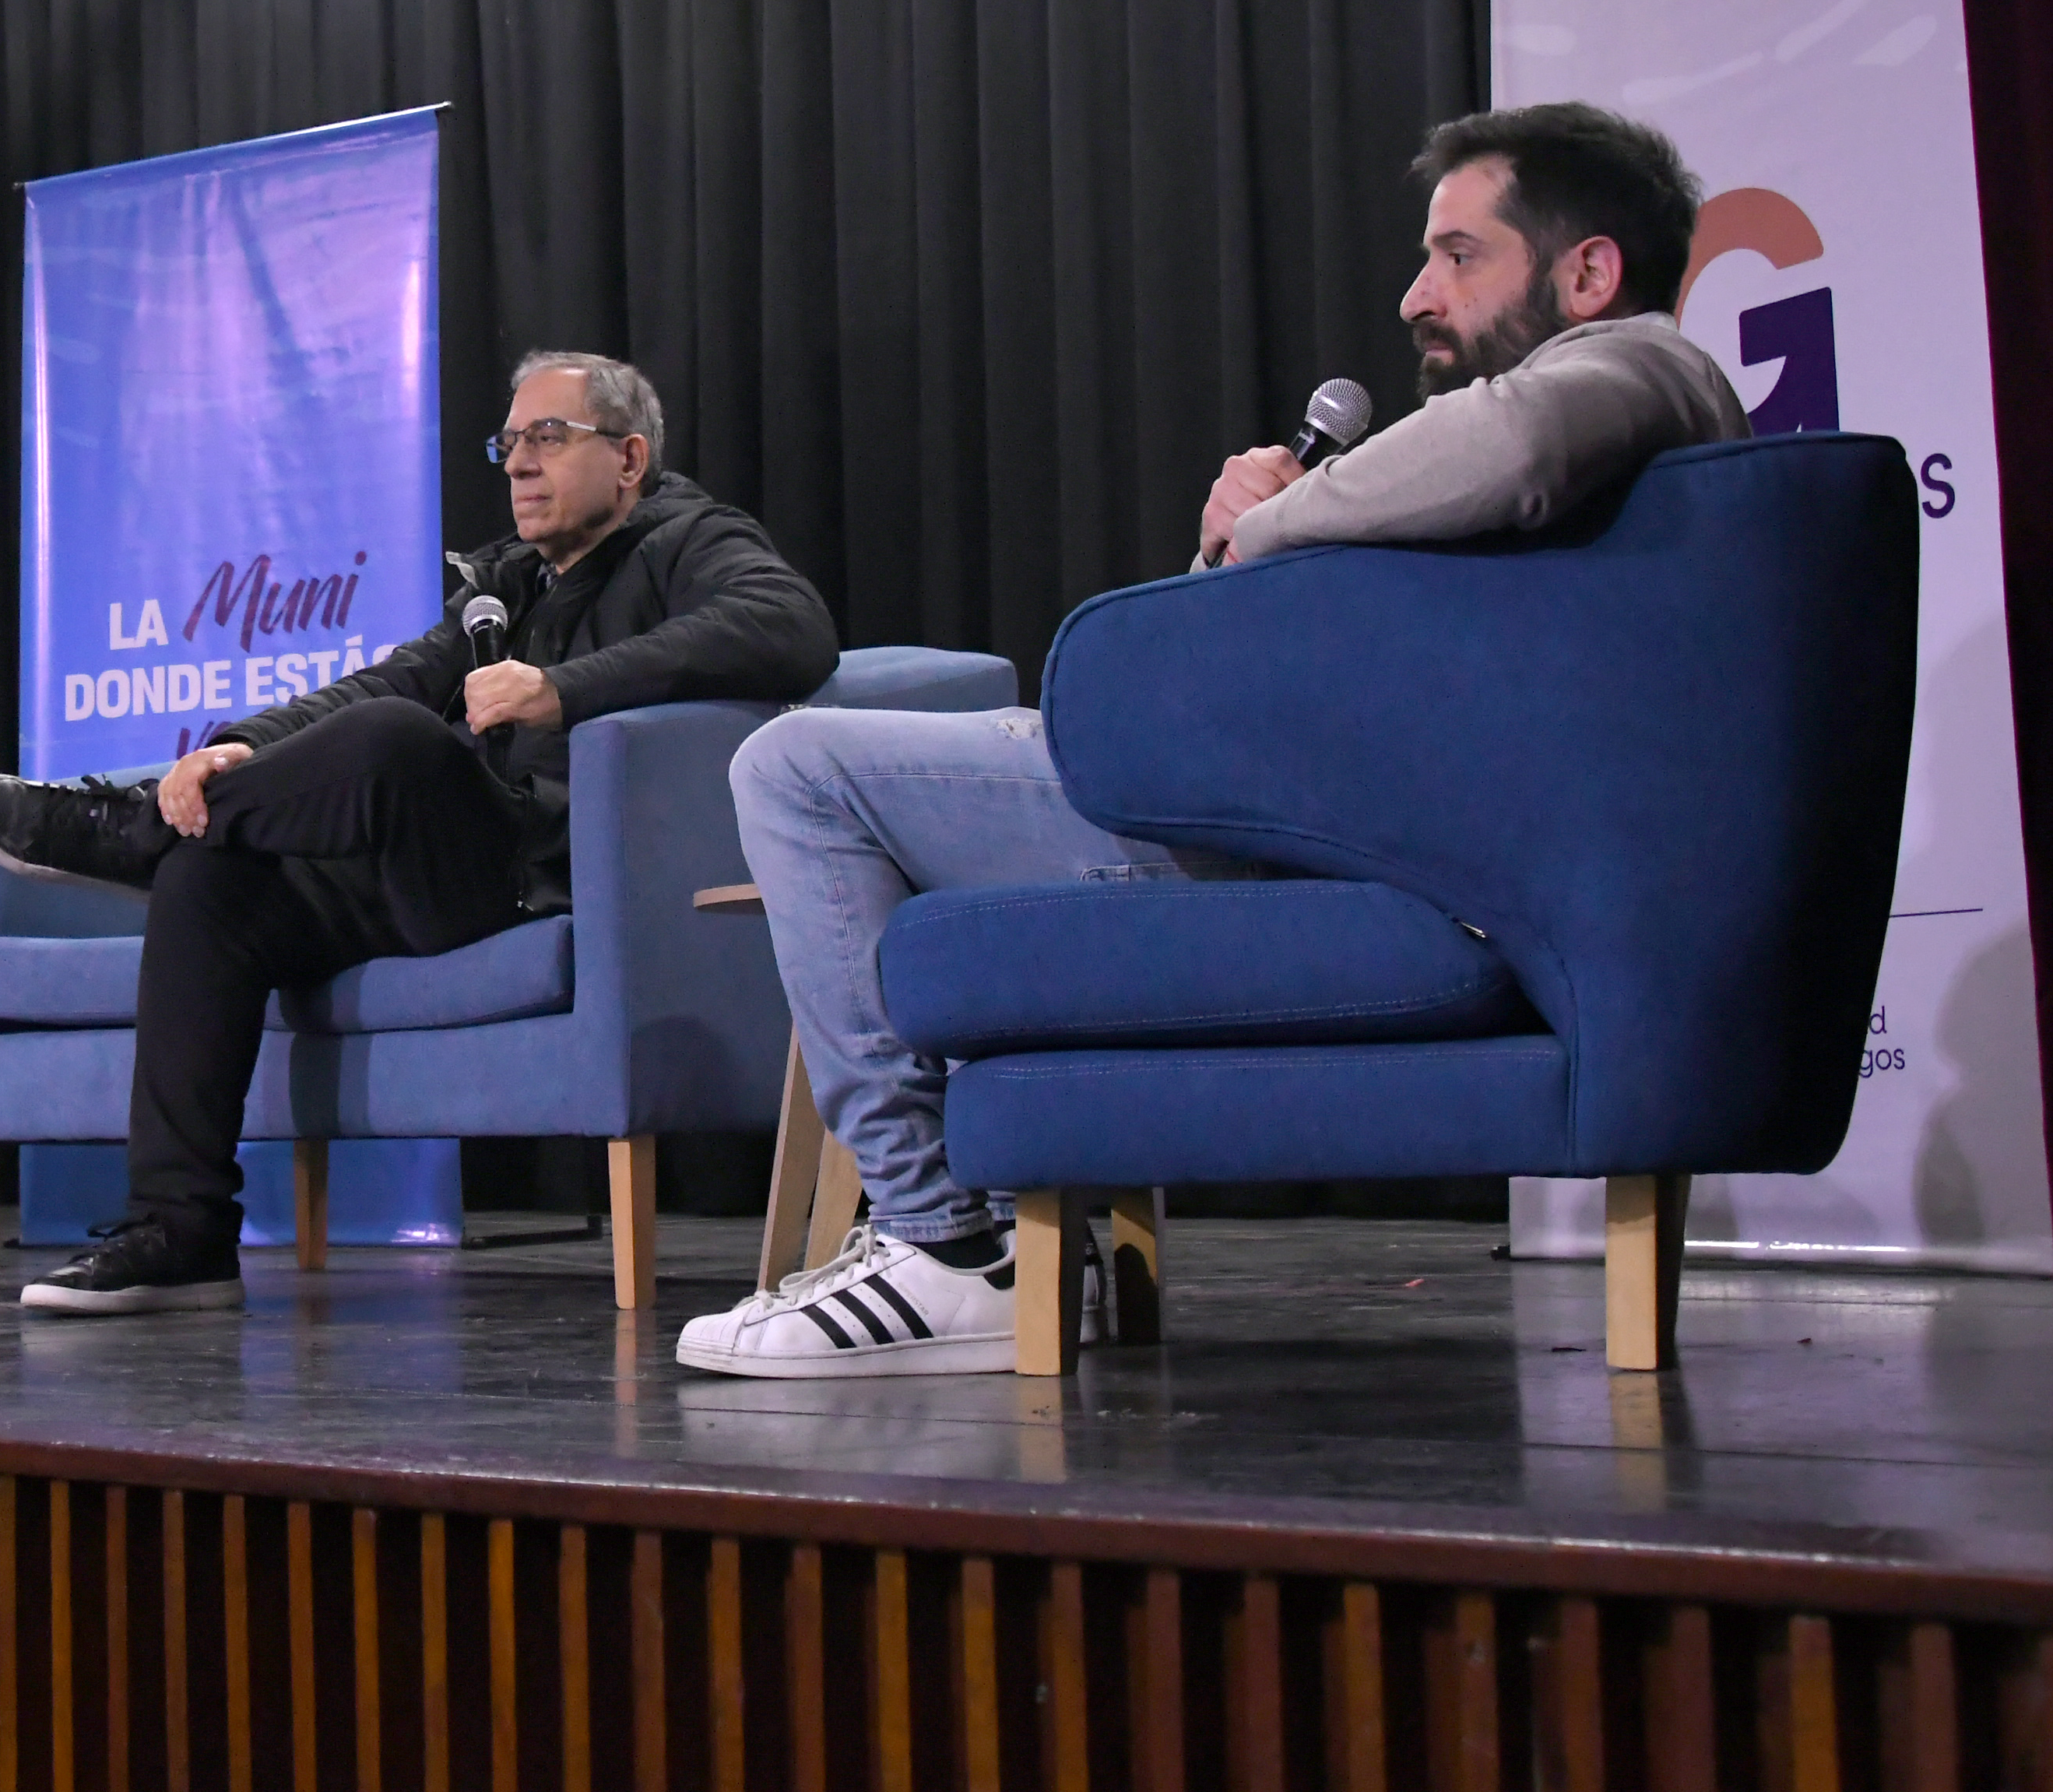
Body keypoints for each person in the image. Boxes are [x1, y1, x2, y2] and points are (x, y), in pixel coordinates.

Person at [683, 101, 1752, 1379]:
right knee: (867, 781)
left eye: (1459, 254)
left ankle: (945, 1240)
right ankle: (990, 1230)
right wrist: (1229, 548)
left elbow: (1515, 443)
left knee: (797, 769)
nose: (1417, 294)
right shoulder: (1551, 476)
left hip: (1363, 861)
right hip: (1300, 817)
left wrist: (1289, 518)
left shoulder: (1634, 370)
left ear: (1588, 271)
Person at [0, 350, 839, 1314]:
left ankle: (130, 832)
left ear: (629, 459)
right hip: (441, 877)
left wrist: (565, 689)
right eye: (508, 443)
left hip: (541, 878)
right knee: (213, 881)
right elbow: (384, 681)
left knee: (397, 745)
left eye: (549, 437)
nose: (518, 464)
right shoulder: (508, 583)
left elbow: (790, 626)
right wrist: (237, 747)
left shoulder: (686, 538)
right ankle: (182, 1229)